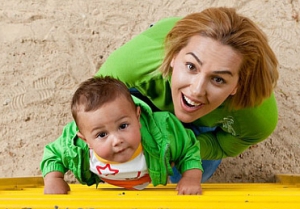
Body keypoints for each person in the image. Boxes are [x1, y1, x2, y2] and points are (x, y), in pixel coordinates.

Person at [95, 7, 279, 182]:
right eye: (191, 67)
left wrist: (184, 147)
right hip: (151, 84)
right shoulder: (130, 67)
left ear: (237, 86)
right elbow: (93, 111)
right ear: (174, 56)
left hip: (208, 117)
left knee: (193, 173)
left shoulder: (257, 119)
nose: (196, 90)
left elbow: (222, 145)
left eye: (218, 79)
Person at [41, 76, 203, 195]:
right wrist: (54, 179)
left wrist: (191, 177)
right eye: (102, 134)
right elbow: (53, 153)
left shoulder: (164, 132)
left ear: (137, 118)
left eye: (123, 126)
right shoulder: (75, 145)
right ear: (86, 140)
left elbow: (188, 147)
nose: (117, 140)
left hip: (151, 173)